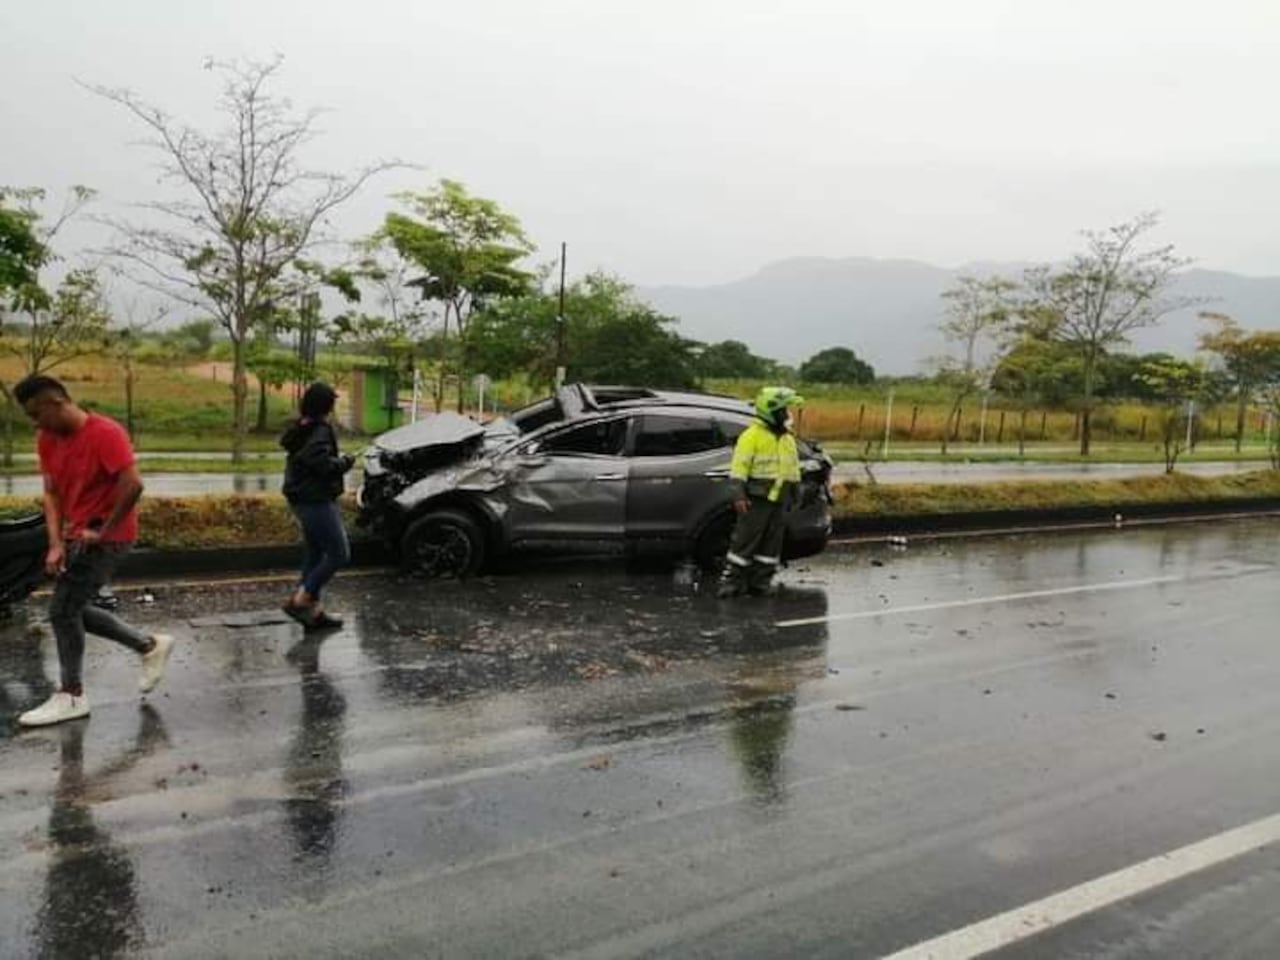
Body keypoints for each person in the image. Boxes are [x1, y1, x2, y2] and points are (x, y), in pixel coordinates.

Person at [14, 375, 174, 727]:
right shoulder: (47, 439)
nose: (34, 422)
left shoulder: (105, 433)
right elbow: (52, 494)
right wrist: (55, 543)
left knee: (62, 610)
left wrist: (103, 530)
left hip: (109, 537)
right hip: (75, 535)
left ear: (55, 402)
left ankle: (72, 694)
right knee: (73, 610)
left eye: (35, 413)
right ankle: (148, 645)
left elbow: (133, 484)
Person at [718, 386, 805, 599]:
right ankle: (732, 582)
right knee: (745, 541)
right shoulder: (751, 436)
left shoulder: (787, 438)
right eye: (784, 411)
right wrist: (738, 494)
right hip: (757, 498)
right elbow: (739, 468)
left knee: (771, 544)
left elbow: (792, 468)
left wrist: (796, 493)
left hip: (780, 499)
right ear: (772, 412)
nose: (788, 415)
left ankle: (761, 582)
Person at [281, 381, 355, 630]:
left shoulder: (302, 426)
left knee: (315, 553)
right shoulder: (321, 430)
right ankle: (301, 600)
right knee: (339, 553)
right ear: (326, 406)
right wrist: (344, 463)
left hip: (301, 498)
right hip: (315, 499)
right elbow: (320, 463)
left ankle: (312, 612)